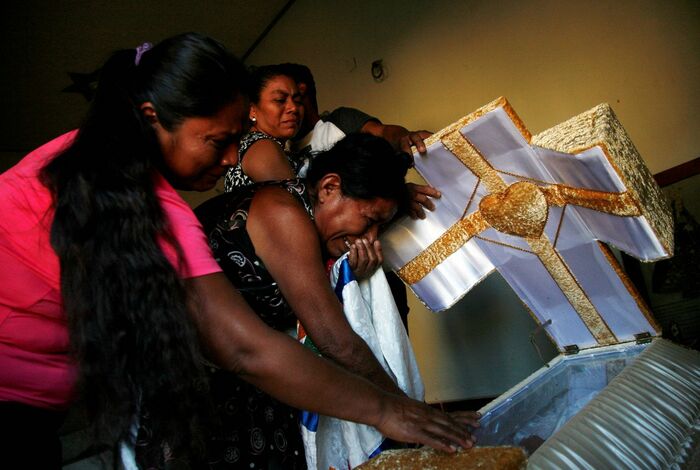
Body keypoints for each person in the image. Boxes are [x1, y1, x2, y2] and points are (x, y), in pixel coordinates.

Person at [0, 33, 477, 469]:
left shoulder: (79, 155)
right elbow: (245, 348)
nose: (232, 158)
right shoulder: (156, 211)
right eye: (218, 141)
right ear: (152, 119)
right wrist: (390, 411)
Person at [195, 132, 478, 469]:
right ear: (329, 188)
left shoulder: (314, 215)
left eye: (379, 227)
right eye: (369, 221)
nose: (370, 237)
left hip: (250, 378)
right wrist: (406, 411)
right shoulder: (283, 214)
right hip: (198, 381)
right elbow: (334, 340)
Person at [222, 64, 303, 192]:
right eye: (280, 100)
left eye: (297, 101)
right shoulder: (262, 147)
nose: (293, 108)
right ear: (252, 110)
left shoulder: (253, 145)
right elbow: (295, 202)